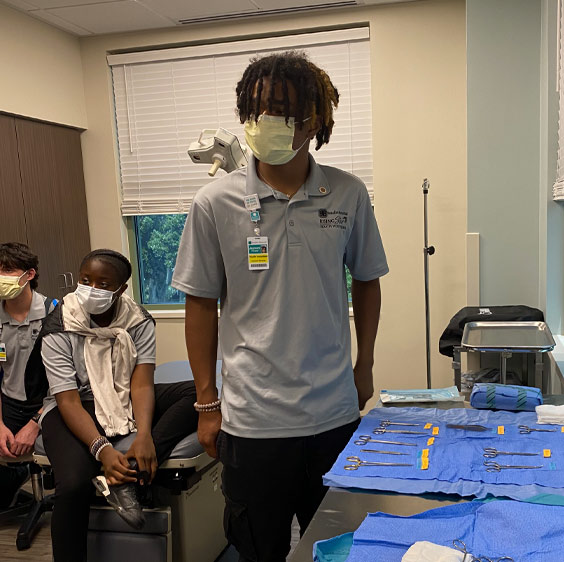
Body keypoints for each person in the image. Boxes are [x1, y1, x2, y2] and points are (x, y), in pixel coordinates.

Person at [172, 51, 388, 561]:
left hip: (333, 412)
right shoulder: (215, 203)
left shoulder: (347, 194)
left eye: (284, 110)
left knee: (335, 548)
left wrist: (366, 365)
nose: (267, 120)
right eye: (259, 108)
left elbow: (368, 281)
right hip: (252, 423)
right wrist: (207, 403)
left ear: (313, 120)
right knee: (258, 548)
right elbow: (200, 305)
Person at [40, 249, 198, 562]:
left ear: (121, 289)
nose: (91, 288)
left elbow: (140, 383)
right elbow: (67, 399)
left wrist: (145, 437)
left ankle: (128, 475)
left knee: (196, 394)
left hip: (122, 394)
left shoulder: (137, 320)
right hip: (74, 406)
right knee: (72, 485)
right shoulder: (58, 325)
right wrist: (102, 449)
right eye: (85, 280)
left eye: (103, 283)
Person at [0, 242, 55, 508]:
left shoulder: (54, 314)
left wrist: (35, 424)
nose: (1, 278)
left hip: (51, 405)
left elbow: (72, 382)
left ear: (29, 274)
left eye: (7, 270)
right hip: (9, 403)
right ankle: (14, 477)